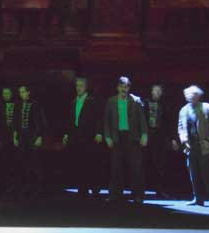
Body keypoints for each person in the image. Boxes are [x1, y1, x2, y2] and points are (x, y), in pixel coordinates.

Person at [103, 76, 148, 204]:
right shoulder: (111, 101)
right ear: (117, 87)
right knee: (116, 167)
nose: (124, 89)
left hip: (132, 137)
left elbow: (142, 119)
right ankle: (115, 194)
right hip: (117, 137)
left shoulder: (136, 100)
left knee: (136, 168)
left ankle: (138, 195)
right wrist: (107, 136)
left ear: (129, 88)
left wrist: (144, 134)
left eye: (126, 86)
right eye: (122, 86)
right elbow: (106, 120)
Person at [178, 85, 209, 207]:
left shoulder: (207, 108)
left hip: (205, 146)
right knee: (194, 174)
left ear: (198, 95)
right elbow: (180, 127)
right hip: (191, 147)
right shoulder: (183, 110)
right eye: (189, 95)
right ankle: (198, 198)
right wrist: (184, 140)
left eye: (194, 94)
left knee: (207, 174)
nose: (191, 97)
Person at [62, 77, 104, 198]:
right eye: (77, 85)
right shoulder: (73, 102)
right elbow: (70, 120)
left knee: (91, 162)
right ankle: (83, 188)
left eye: (81, 85)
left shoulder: (92, 101)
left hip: (89, 135)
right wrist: (67, 133)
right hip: (77, 135)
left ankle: (95, 187)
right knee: (79, 162)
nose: (78, 88)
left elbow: (99, 118)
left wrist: (99, 132)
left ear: (86, 87)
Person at [14, 85, 46, 198]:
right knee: (24, 163)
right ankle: (27, 186)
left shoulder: (36, 104)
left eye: (23, 92)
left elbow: (41, 121)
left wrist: (39, 136)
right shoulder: (18, 105)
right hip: (22, 137)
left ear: (28, 92)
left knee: (35, 163)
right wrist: (15, 136)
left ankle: (38, 187)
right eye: (20, 92)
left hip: (33, 136)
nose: (21, 94)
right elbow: (16, 122)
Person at [143, 84, 172, 198]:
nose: (157, 93)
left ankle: (159, 190)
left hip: (159, 137)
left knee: (159, 164)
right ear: (151, 92)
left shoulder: (164, 105)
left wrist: (171, 138)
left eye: (159, 91)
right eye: (155, 91)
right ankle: (141, 189)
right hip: (146, 136)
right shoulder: (144, 103)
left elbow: (168, 122)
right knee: (143, 163)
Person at [0, 87, 18, 199]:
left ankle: (14, 185)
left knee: (15, 162)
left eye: (7, 93)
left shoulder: (17, 105)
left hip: (15, 137)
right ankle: (4, 186)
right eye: (4, 93)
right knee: (3, 162)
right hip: (3, 137)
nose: (5, 95)